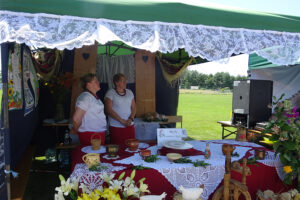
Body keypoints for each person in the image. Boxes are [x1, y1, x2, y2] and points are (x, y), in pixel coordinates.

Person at [71, 73, 107, 146]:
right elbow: (76, 119)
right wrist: (75, 130)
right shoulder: (85, 97)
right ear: (88, 84)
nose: (98, 82)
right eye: (96, 81)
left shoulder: (93, 96)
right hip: (90, 134)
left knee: (97, 156)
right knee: (92, 156)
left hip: (97, 133)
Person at [104, 73, 136, 145]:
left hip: (129, 125)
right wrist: (122, 121)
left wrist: (130, 119)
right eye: (122, 81)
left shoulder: (129, 92)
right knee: (117, 147)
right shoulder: (110, 93)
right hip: (116, 126)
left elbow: (134, 107)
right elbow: (109, 110)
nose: (125, 83)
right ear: (116, 82)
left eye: (125, 81)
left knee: (130, 145)